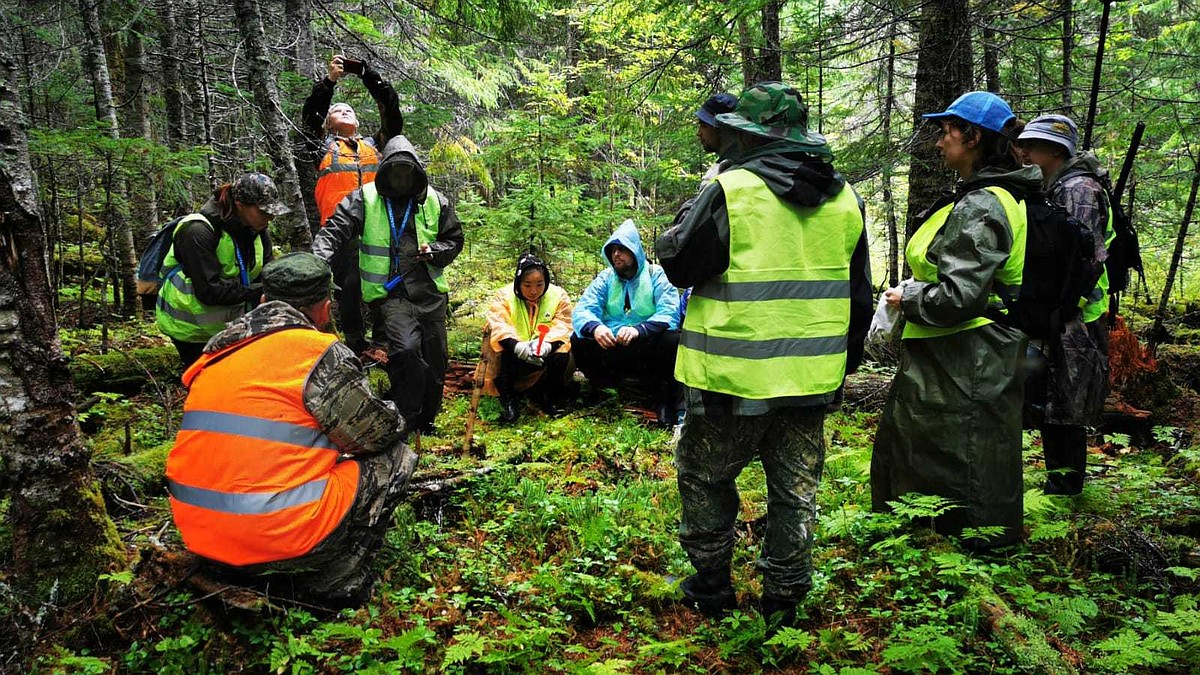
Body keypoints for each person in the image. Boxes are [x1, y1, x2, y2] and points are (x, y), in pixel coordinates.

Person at [656, 81, 872, 630]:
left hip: (732, 374)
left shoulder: (732, 189)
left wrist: (677, 224)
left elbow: (680, 262)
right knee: (795, 489)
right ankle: (784, 599)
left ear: (746, 136)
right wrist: (836, 366)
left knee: (705, 478)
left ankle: (711, 584)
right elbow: (860, 297)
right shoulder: (848, 199)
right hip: (810, 376)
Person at [165, 253, 418, 607]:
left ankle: (237, 562)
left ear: (264, 301)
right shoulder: (313, 352)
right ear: (324, 309)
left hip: (198, 533)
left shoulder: (216, 354)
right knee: (395, 456)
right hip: (276, 538)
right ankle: (337, 579)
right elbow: (377, 433)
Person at [872, 91, 1041, 548]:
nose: (939, 141)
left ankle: (976, 551)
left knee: (967, 456)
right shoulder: (976, 197)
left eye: (947, 130)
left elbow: (959, 296)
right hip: (953, 354)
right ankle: (932, 543)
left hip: (969, 356)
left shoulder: (984, 204)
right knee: (941, 451)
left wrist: (907, 297)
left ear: (974, 136)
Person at [313, 135, 463, 435]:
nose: (402, 179)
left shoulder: (435, 200)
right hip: (391, 294)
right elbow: (334, 231)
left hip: (430, 292)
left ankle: (427, 421)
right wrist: (316, 262)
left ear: (417, 173)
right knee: (406, 351)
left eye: (408, 173)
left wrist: (436, 251)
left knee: (435, 361)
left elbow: (455, 240)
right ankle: (405, 419)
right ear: (386, 172)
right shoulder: (364, 199)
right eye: (396, 172)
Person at [1018, 114, 1110, 495]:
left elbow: (1083, 257)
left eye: (1032, 147)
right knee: (1052, 402)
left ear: (1055, 151)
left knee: (1066, 407)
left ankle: (1066, 490)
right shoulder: (1058, 186)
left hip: (1077, 317)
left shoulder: (1079, 190)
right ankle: (1059, 486)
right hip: (1064, 313)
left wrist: (1060, 306)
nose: (1024, 153)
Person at [301, 55, 405, 354]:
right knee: (348, 290)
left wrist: (367, 74)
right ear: (329, 123)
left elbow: (392, 115)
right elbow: (310, 118)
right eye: (337, 110)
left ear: (358, 121)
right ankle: (357, 344)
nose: (344, 111)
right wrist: (330, 82)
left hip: (380, 226)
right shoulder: (321, 146)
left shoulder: (376, 145)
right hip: (341, 231)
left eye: (349, 110)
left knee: (385, 283)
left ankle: (384, 342)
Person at [156, 172, 283, 368]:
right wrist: (261, 290)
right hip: (192, 331)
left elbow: (267, 272)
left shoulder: (257, 229)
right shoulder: (197, 231)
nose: (271, 217)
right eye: (264, 211)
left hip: (233, 324)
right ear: (241, 205)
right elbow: (209, 292)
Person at [571, 219, 681, 425]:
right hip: (612, 344)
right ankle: (604, 390)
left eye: (622, 249)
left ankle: (663, 399)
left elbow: (670, 313)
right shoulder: (605, 279)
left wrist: (640, 330)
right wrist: (596, 328)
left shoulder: (655, 275)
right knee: (579, 339)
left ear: (635, 251)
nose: (616, 255)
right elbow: (582, 310)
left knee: (672, 340)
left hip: (645, 345)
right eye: (612, 251)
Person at [483, 253, 574, 422]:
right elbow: (498, 324)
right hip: (513, 354)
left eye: (539, 284)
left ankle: (549, 397)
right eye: (527, 285)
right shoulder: (504, 296)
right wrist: (517, 345)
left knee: (563, 351)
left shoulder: (558, 296)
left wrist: (548, 345)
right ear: (518, 283)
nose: (534, 291)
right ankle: (509, 400)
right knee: (497, 347)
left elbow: (564, 324)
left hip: (541, 352)